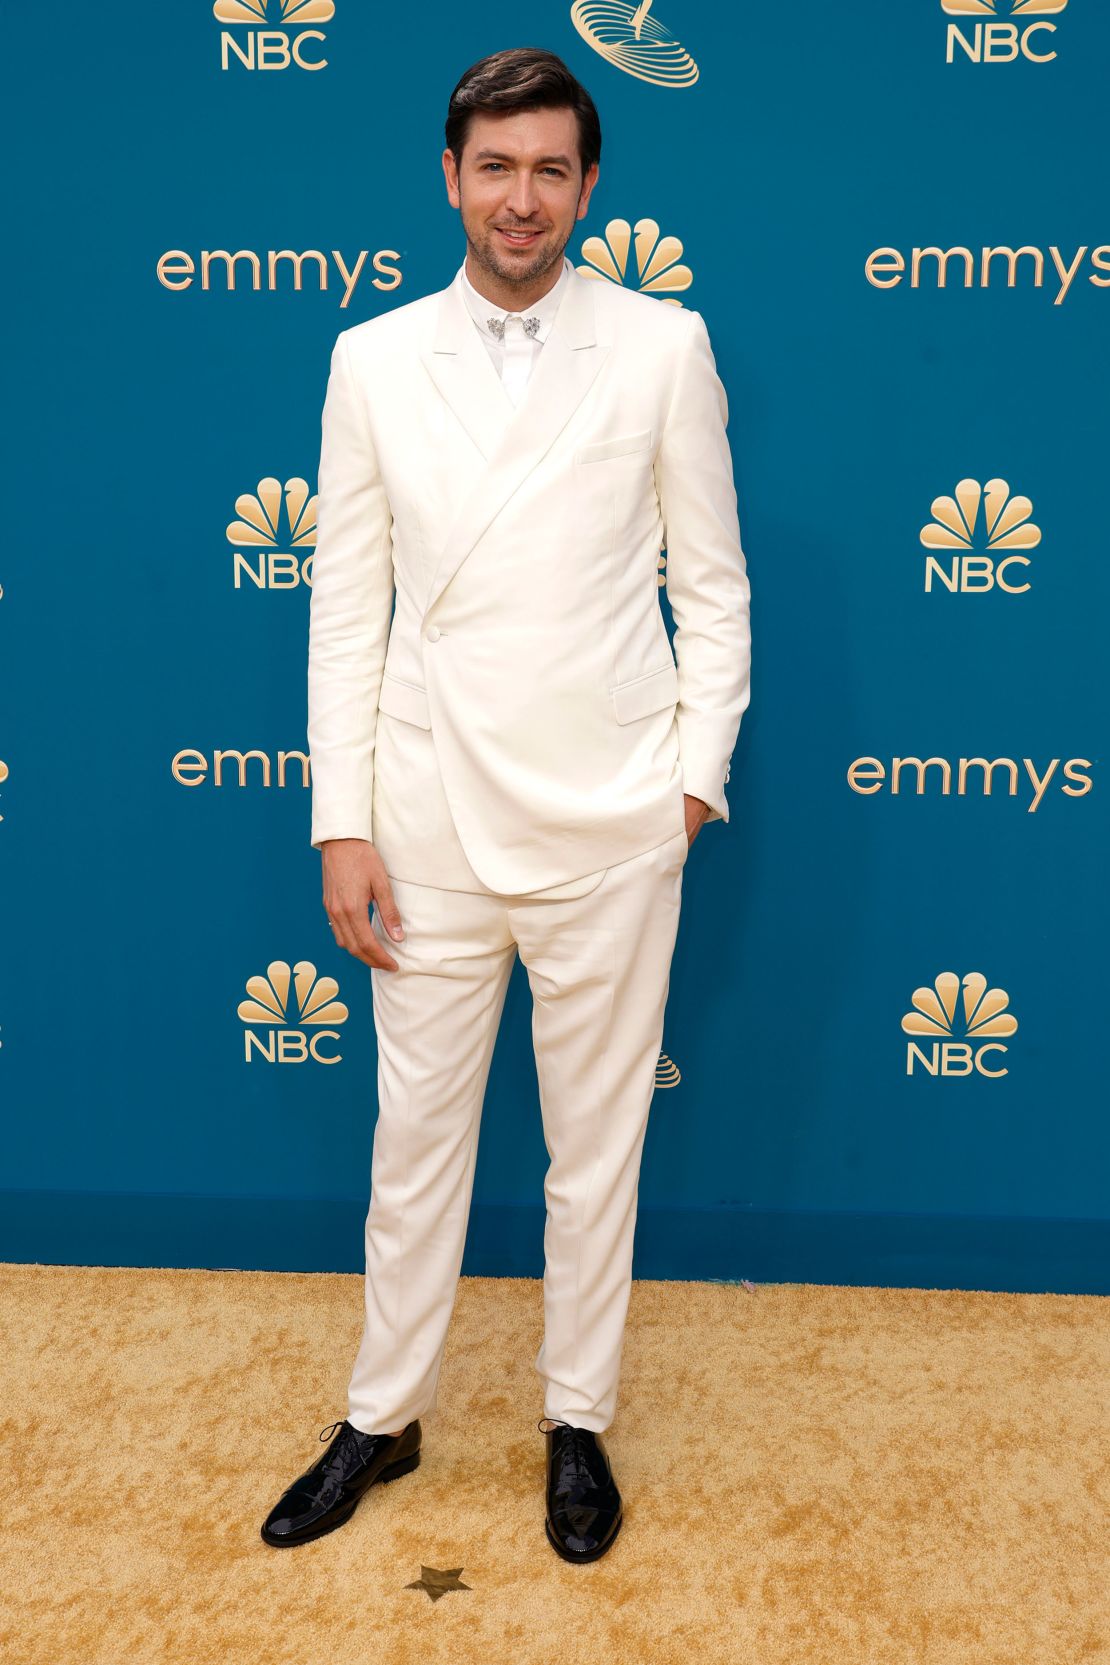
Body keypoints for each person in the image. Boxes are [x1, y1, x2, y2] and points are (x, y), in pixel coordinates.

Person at [261, 44, 751, 1563]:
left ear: (588, 186)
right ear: (450, 177)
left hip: (610, 819)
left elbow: (713, 591)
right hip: (426, 818)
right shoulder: (369, 357)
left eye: (549, 168)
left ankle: (575, 1420)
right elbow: (348, 608)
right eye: (495, 166)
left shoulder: (663, 346)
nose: (520, 197)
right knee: (415, 1137)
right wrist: (343, 817)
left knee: (592, 1147)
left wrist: (687, 783)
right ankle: (383, 1409)